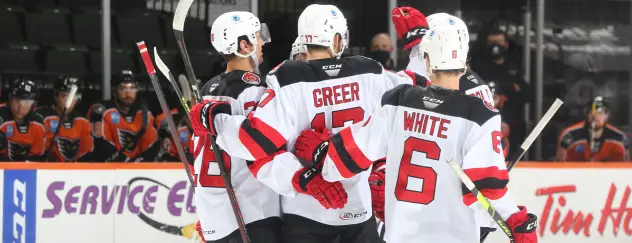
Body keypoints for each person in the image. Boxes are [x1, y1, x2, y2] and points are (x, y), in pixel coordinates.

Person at [189, 4, 426, 243]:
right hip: (359, 213)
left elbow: (256, 145)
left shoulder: (285, 78)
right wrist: (418, 45)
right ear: (336, 38)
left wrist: (214, 119)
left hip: (303, 214)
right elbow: (420, 89)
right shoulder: (370, 72)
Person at [293, 24, 539, 243]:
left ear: (428, 62)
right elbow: (490, 190)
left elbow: (347, 158)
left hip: (400, 235)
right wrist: (516, 220)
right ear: (465, 64)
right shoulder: (479, 115)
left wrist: (322, 152)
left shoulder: (398, 101)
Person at [192, 11, 282, 243]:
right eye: (257, 36)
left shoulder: (207, 91)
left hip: (215, 216)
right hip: (253, 212)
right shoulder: (255, 89)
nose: (261, 42)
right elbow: (264, 144)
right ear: (244, 45)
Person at [87, 70, 159, 162]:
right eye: (123, 88)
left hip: (139, 168)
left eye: (132, 88)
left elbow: (151, 145)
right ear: (114, 91)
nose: (128, 93)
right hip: (109, 169)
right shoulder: (103, 111)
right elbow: (100, 145)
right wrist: (126, 162)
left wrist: (140, 162)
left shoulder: (144, 113)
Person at [36, 76, 93, 162]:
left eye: (74, 96)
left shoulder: (82, 120)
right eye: (65, 96)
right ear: (56, 96)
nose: (69, 101)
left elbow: (87, 151)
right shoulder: (41, 116)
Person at [557, 96, 629, 161]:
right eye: (592, 112)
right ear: (587, 114)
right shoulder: (570, 135)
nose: (595, 116)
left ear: (607, 116)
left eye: (600, 113)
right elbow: (560, 163)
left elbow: (626, 166)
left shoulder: (619, 138)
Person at [0, 79, 46, 161]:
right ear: (10, 99)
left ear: (34, 104)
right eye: (18, 101)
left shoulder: (38, 123)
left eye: (27, 102)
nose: (21, 107)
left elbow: (38, 157)